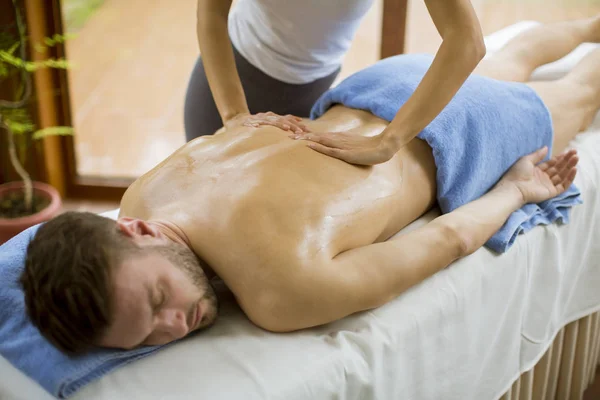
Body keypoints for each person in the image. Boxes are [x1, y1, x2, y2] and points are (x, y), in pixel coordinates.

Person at [21, 17, 600, 355]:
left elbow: (445, 242)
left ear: (138, 232)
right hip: (371, 89)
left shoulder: (279, 292)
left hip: (455, 134)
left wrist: (517, 192)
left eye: (155, 301)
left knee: (582, 92)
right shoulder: (140, 196)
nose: (173, 326)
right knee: (515, 53)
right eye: (144, 337)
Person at [185, 0, 486, 165]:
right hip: (229, 84)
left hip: (312, 93)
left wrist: (389, 139)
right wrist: (234, 115)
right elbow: (212, 12)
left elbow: (467, 41)